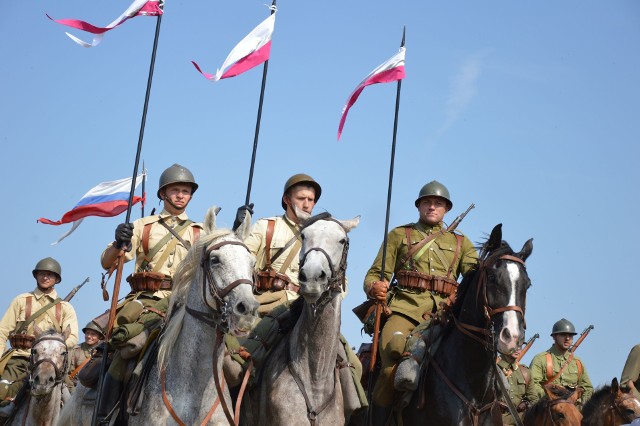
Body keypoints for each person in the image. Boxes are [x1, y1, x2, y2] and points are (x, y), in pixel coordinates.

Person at [230, 173, 366, 419]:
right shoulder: (266, 226)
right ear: (286, 199)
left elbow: (339, 280)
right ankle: (232, 407)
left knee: (351, 362)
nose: (307, 204)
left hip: (307, 307)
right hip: (266, 305)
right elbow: (240, 260)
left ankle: (355, 412)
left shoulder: (323, 231)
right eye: (301, 198)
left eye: (311, 199)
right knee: (239, 358)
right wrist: (238, 229)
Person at [96, 163, 203, 423]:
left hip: (185, 302)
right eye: (175, 190)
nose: (180, 195)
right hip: (147, 302)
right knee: (128, 347)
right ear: (163, 194)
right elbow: (108, 262)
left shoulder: (200, 232)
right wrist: (118, 242)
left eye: (185, 191)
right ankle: (104, 414)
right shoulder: (143, 226)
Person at [363, 180, 478, 418]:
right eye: (427, 202)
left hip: (444, 315)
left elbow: (474, 277)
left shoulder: (461, 243)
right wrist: (375, 287)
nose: (432, 207)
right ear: (419, 206)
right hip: (405, 310)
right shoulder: (399, 235)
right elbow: (375, 274)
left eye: (438, 204)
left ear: (446, 209)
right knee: (391, 361)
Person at [0, 257, 78, 417]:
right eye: (42, 273)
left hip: (52, 363)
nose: (45, 277)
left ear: (56, 279)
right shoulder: (21, 301)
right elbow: (2, 331)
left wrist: (51, 347)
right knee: (2, 394)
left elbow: (73, 338)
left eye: (50, 274)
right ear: (36, 276)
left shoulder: (65, 308)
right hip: (20, 359)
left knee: (73, 402)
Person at [526, 318, 593, 408]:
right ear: (554, 336)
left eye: (570, 335)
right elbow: (533, 386)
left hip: (573, 409)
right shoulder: (541, 359)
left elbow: (588, 388)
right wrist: (551, 398)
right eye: (563, 335)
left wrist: (581, 404)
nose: (567, 338)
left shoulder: (577, 362)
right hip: (548, 408)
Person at [497, 347, 534, 425]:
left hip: (518, 418)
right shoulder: (492, 369)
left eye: (520, 346)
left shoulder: (525, 372)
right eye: (514, 345)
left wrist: (526, 403)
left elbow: (533, 399)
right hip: (494, 418)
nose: (518, 349)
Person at [67, 321, 105, 389]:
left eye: (93, 334)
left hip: (94, 388)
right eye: (87, 333)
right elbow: (67, 374)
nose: (89, 336)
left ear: (99, 337)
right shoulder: (74, 350)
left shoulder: (103, 352)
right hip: (73, 387)